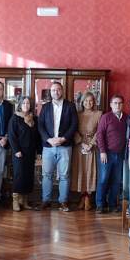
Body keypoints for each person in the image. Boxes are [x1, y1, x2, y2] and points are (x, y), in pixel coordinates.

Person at [39, 81, 78, 211]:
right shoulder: (45, 107)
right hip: (48, 146)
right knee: (47, 174)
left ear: (62, 91)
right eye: (53, 90)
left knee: (64, 175)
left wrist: (63, 138)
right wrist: (49, 139)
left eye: (58, 90)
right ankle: (46, 200)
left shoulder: (70, 106)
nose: (56, 92)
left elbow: (74, 125)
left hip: (65, 146)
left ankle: (63, 202)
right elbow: (40, 126)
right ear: (50, 92)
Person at [8, 95, 41, 211]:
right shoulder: (15, 118)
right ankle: (16, 201)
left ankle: (25, 201)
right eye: (24, 103)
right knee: (19, 176)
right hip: (19, 153)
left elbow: (37, 137)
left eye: (28, 103)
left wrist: (39, 151)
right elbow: (12, 137)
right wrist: (16, 150)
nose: (26, 105)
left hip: (30, 152)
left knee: (28, 176)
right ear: (20, 105)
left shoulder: (34, 119)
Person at [95, 94, 127, 214]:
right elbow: (99, 135)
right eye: (115, 103)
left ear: (122, 105)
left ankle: (113, 204)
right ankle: (100, 204)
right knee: (103, 179)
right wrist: (102, 151)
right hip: (107, 154)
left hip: (120, 155)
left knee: (116, 181)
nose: (117, 105)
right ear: (111, 105)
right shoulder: (106, 117)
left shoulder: (126, 118)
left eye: (119, 103)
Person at [71, 92, 102, 211]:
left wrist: (90, 144)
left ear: (94, 102)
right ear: (82, 102)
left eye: (90, 101)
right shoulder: (77, 115)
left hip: (92, 147)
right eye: (85, 101)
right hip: (79, 146)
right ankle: (82, 197)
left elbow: (99, 132)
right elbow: (73, 129)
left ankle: (88, 198)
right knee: (80, 171)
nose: (88, 103)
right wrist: (81, 142)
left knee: (90, 171)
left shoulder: (99, 114)